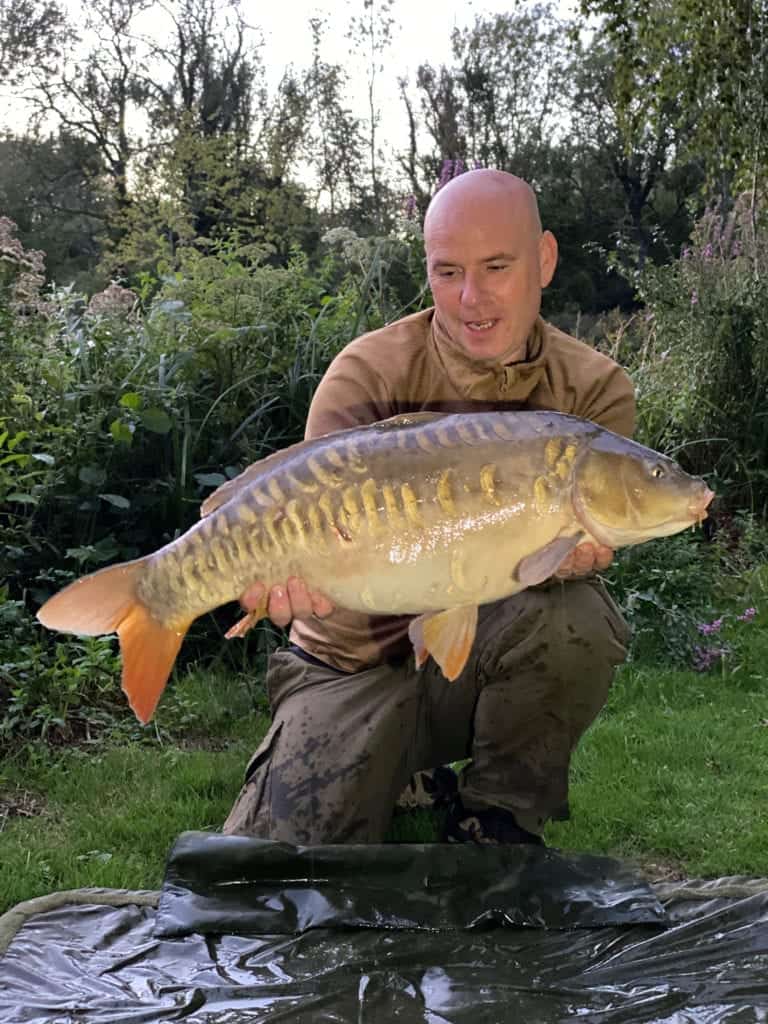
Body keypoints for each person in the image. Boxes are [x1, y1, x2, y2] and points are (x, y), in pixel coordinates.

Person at [222, 169, 635, 846]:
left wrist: (567, 560)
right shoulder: (367, 373)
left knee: (576, 618)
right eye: (447, 272)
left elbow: (570, 554)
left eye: (497, 266)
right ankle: (399, 769)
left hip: (475, 658)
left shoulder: (592, 390)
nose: (471, 299)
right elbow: (298, 522)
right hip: (348, 661)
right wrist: (289, 577)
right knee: (282, 866)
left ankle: (498, 817)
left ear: (545, 260)